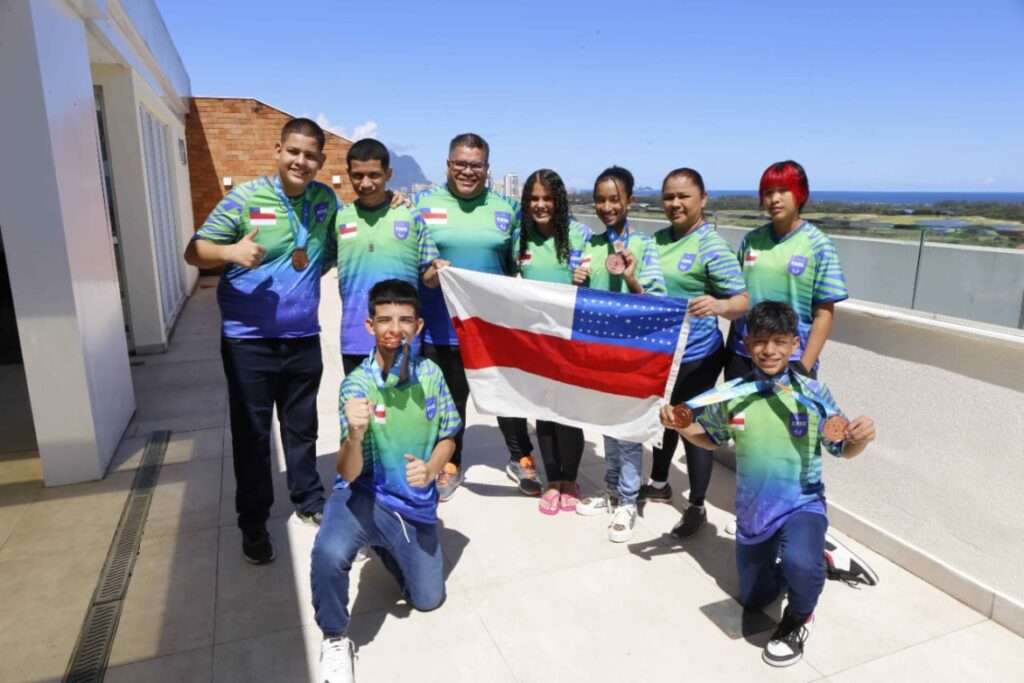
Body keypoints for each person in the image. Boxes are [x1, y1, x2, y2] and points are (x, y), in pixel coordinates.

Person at [661, 301, 875, 668]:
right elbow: (711, 438)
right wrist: (682, 427)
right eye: (760, 341)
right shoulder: (731, 394)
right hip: (753, 511)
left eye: (780, 341)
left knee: (799, 565)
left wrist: (860, 438)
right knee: (757, 598)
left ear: (795, 344)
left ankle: (798, 617)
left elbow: (842, 448)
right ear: (746, 343)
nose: (770, 350)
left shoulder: (813, 395)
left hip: (802, 504)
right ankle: (816, 554)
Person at [185, 118, 338, 564]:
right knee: (252, 436)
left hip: (303, 338)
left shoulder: (324, 201)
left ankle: (308, 500)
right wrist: (231, 252)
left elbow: (329, 250)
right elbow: (194, 250)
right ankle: (253, 522)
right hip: (247, 343)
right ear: (277, 150)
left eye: (310, 155)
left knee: (302, 428)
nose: (301, 162)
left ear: (321, 161)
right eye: (294, 151)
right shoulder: (246, 199)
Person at [312, 279, 460, 683]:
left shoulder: (431, 374)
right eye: (385, 320)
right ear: (369, 326)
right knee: (328, 553)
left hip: (413, 503)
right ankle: (334, 637)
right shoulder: (357, 387)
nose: (395, 328)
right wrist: (355, 435)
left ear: (419, 325)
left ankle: (391, 550)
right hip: (365, 496)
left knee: (428, 600)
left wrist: (431, 468)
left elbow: (448, 436)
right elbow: (347, 471)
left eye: (405, 319)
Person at [418, 133, 539, 500]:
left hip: (493, 330)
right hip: (442, 329)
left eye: (476, 165)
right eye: (460, 164)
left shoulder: (507, 209)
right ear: (448, 165)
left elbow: (521, 263)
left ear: (487, 168)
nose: (467, 171)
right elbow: (415, 263)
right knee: (451, 402)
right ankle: (450, 463)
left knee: (508, 398)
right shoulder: (422, 205)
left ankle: (522, 457)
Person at [640, 168, 748, 538]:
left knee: (692, 424)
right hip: (664, 355)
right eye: (669, 196)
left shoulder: (711, 245)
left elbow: (742, 300)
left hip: (699, 356)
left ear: (702, 199)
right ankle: (658, 483)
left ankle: (697, 505)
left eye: (683, 196)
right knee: (665, 419)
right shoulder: (655, 241)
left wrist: (718, 306)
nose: (675, 203)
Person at [575, 166, 666, 543]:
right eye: (600, 199)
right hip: (599, 353)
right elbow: (579, 303)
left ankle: (628, 499)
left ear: (629, 200)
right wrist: (574, 282)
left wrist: (632, 279)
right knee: (607, 425)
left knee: (628, 430)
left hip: (634, 354)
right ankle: (612, 489)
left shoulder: (645, 246)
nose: (607, 206)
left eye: (615, 199)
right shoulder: (591, 246)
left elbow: (660, 302)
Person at [726, 160, 848, 381]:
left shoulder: (818, 244)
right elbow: (737, 296)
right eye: (768, 192)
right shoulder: (752, 240)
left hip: (790, 359)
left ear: (801, 194)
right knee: (737, 416)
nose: (774, 199)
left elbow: (824, 313)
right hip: (744, 355)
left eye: (783, 190)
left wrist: (805, 366)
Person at [515, 169, 592, 515]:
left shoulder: (580, 234)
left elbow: (599, 280)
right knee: (543, 413)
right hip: (534, 343)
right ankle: (552, 480)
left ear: (559, 201)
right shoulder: (519, 236)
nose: (540, 205)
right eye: (534, 198)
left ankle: (570, 479)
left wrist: (585, 278)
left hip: (571, 342)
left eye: (547, 198)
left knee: (569, 413)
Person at [335, 138, 440, 374]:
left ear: (388, 174)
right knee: (361, 409)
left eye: (374, 175)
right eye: (358, 175)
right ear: (348, 174)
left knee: (404, 410)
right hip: (355, 340)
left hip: (403, 339)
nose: (365, 183)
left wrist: (441, 270)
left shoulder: (409, 213)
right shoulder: (340, 217)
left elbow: (428, 275)